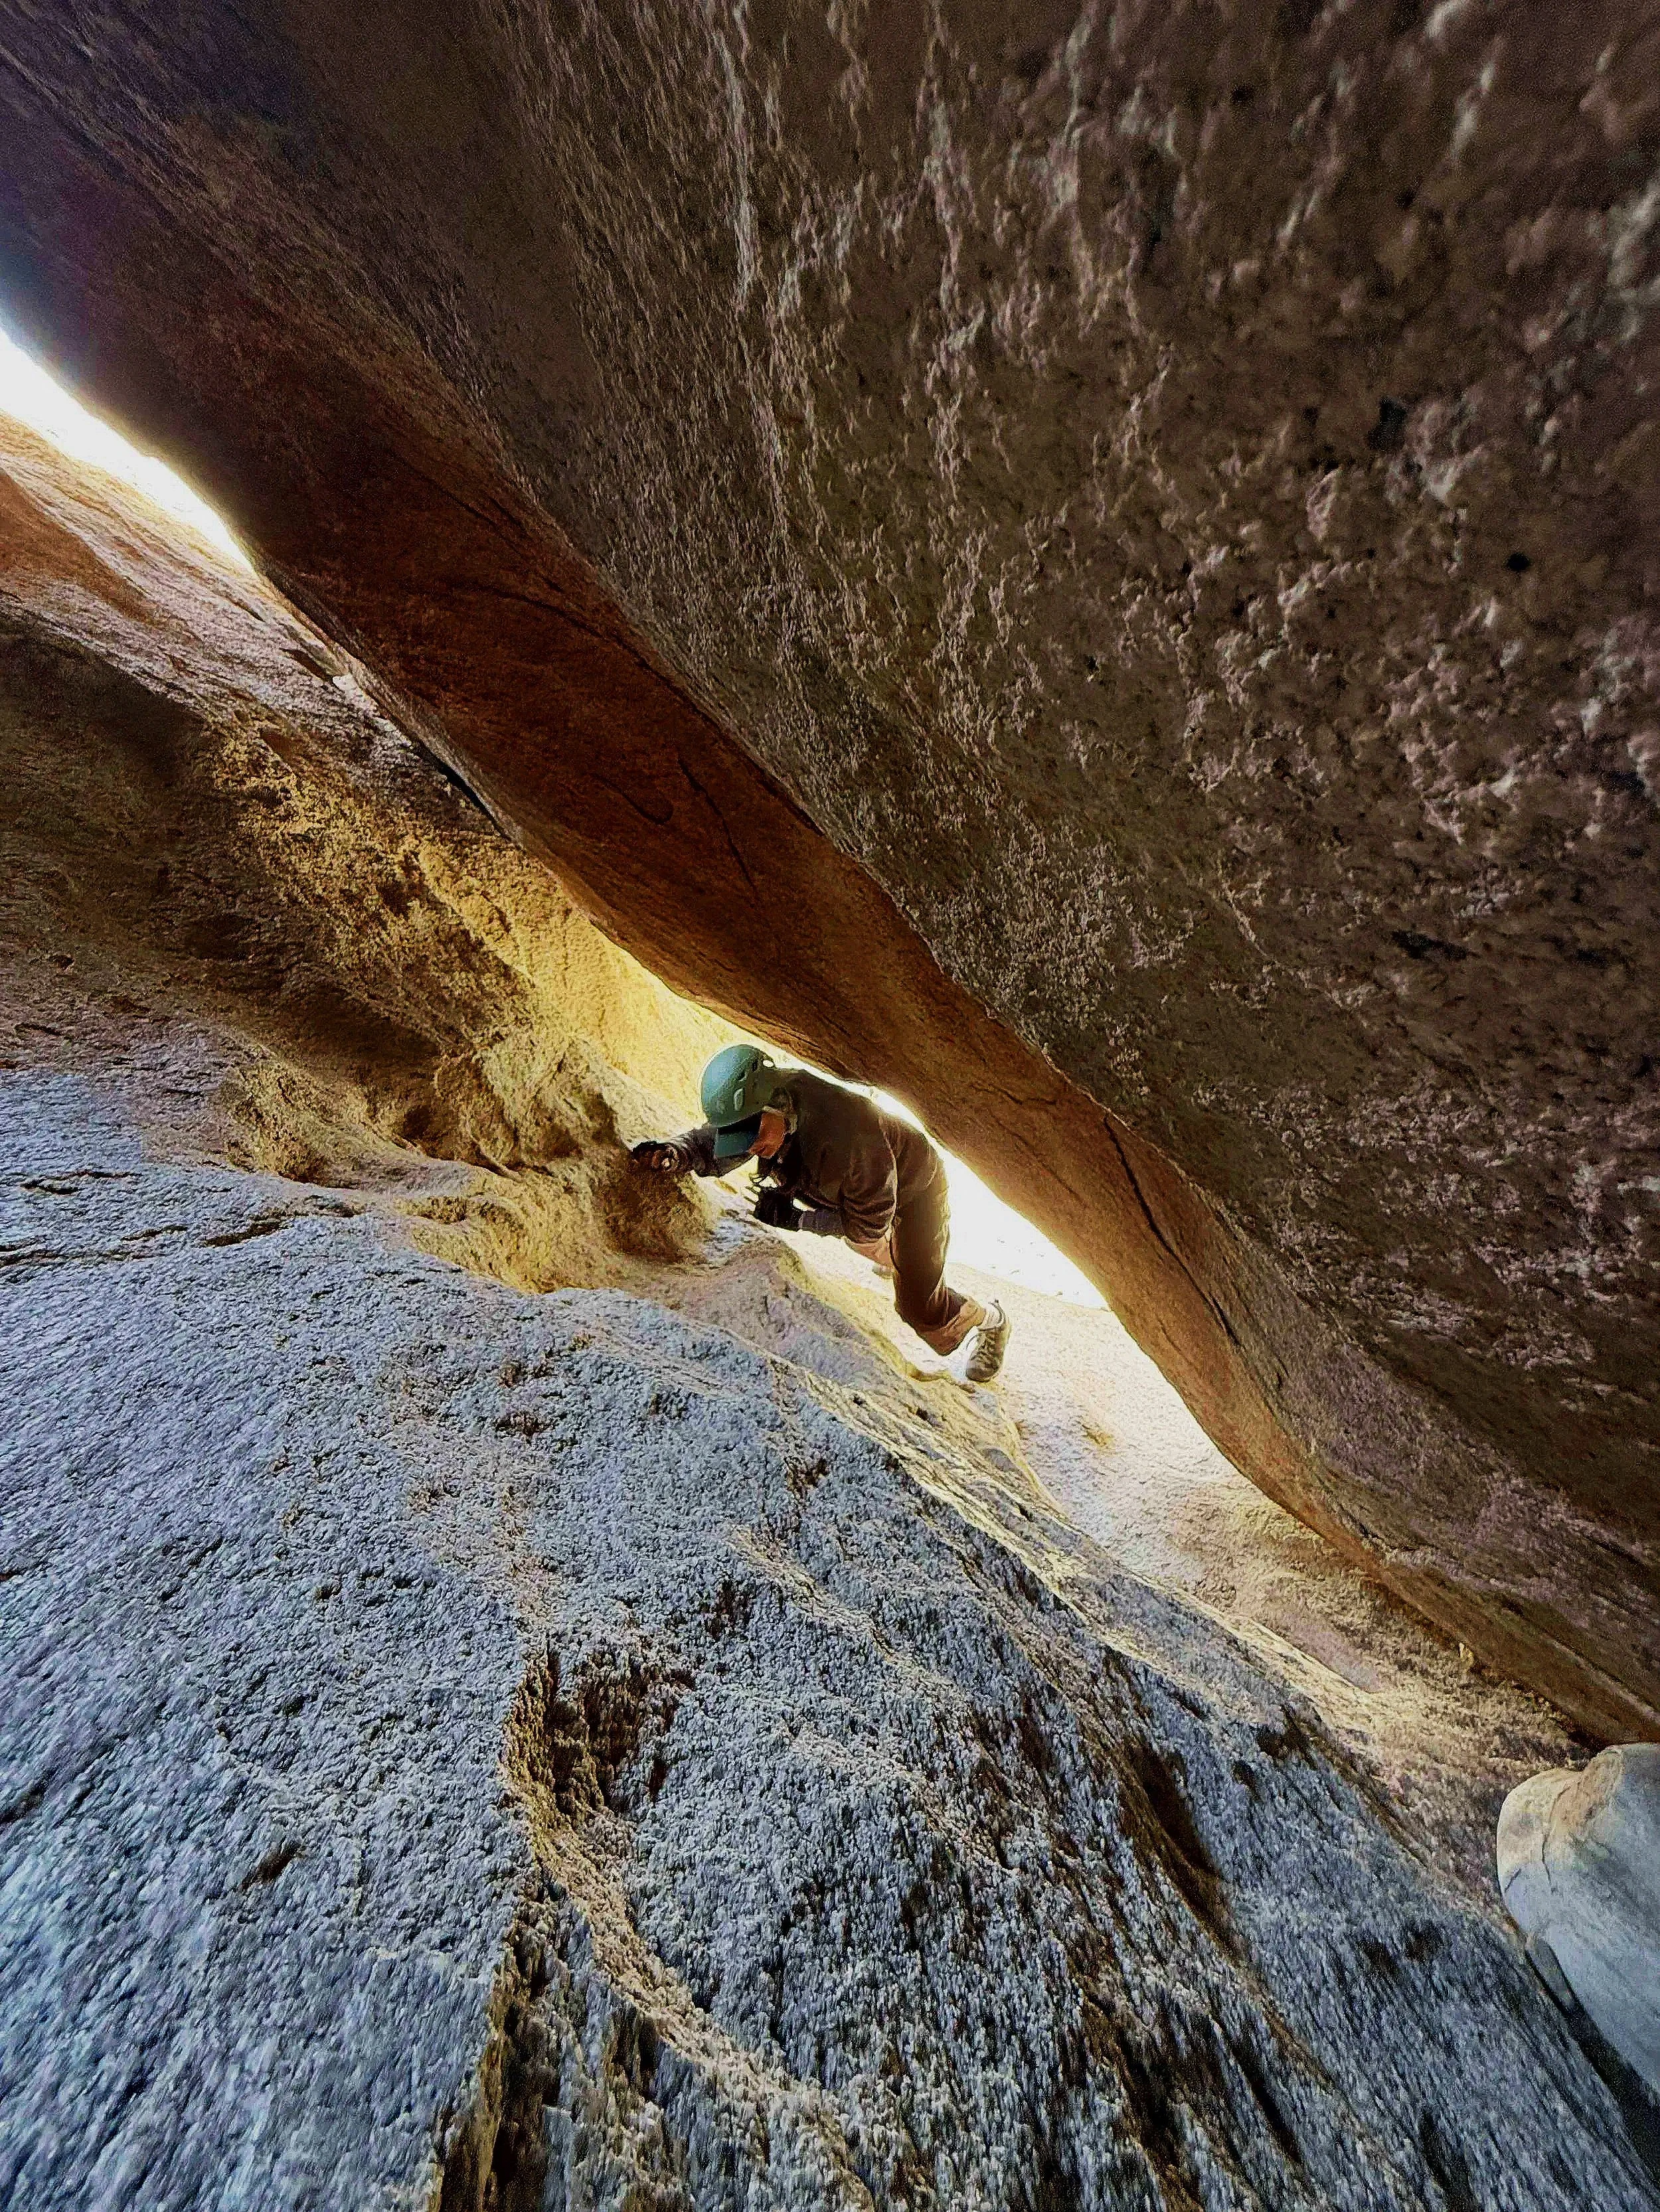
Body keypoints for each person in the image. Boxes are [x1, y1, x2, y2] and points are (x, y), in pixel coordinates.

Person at [630, 1045, 1011, 1382]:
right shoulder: (765, 1114)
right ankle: (897, 1259)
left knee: (918, 1305)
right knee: (887, 1252)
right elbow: (713, 1143)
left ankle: (992, 1320)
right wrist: (673, 1153)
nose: (750, 1147)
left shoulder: (850, 1143)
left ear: (777, 1105)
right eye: (742, 1136)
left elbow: (866, 1225)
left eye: (753, 1135)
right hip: (856, 1188)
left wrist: (798, 1220)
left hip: (914, 1191)